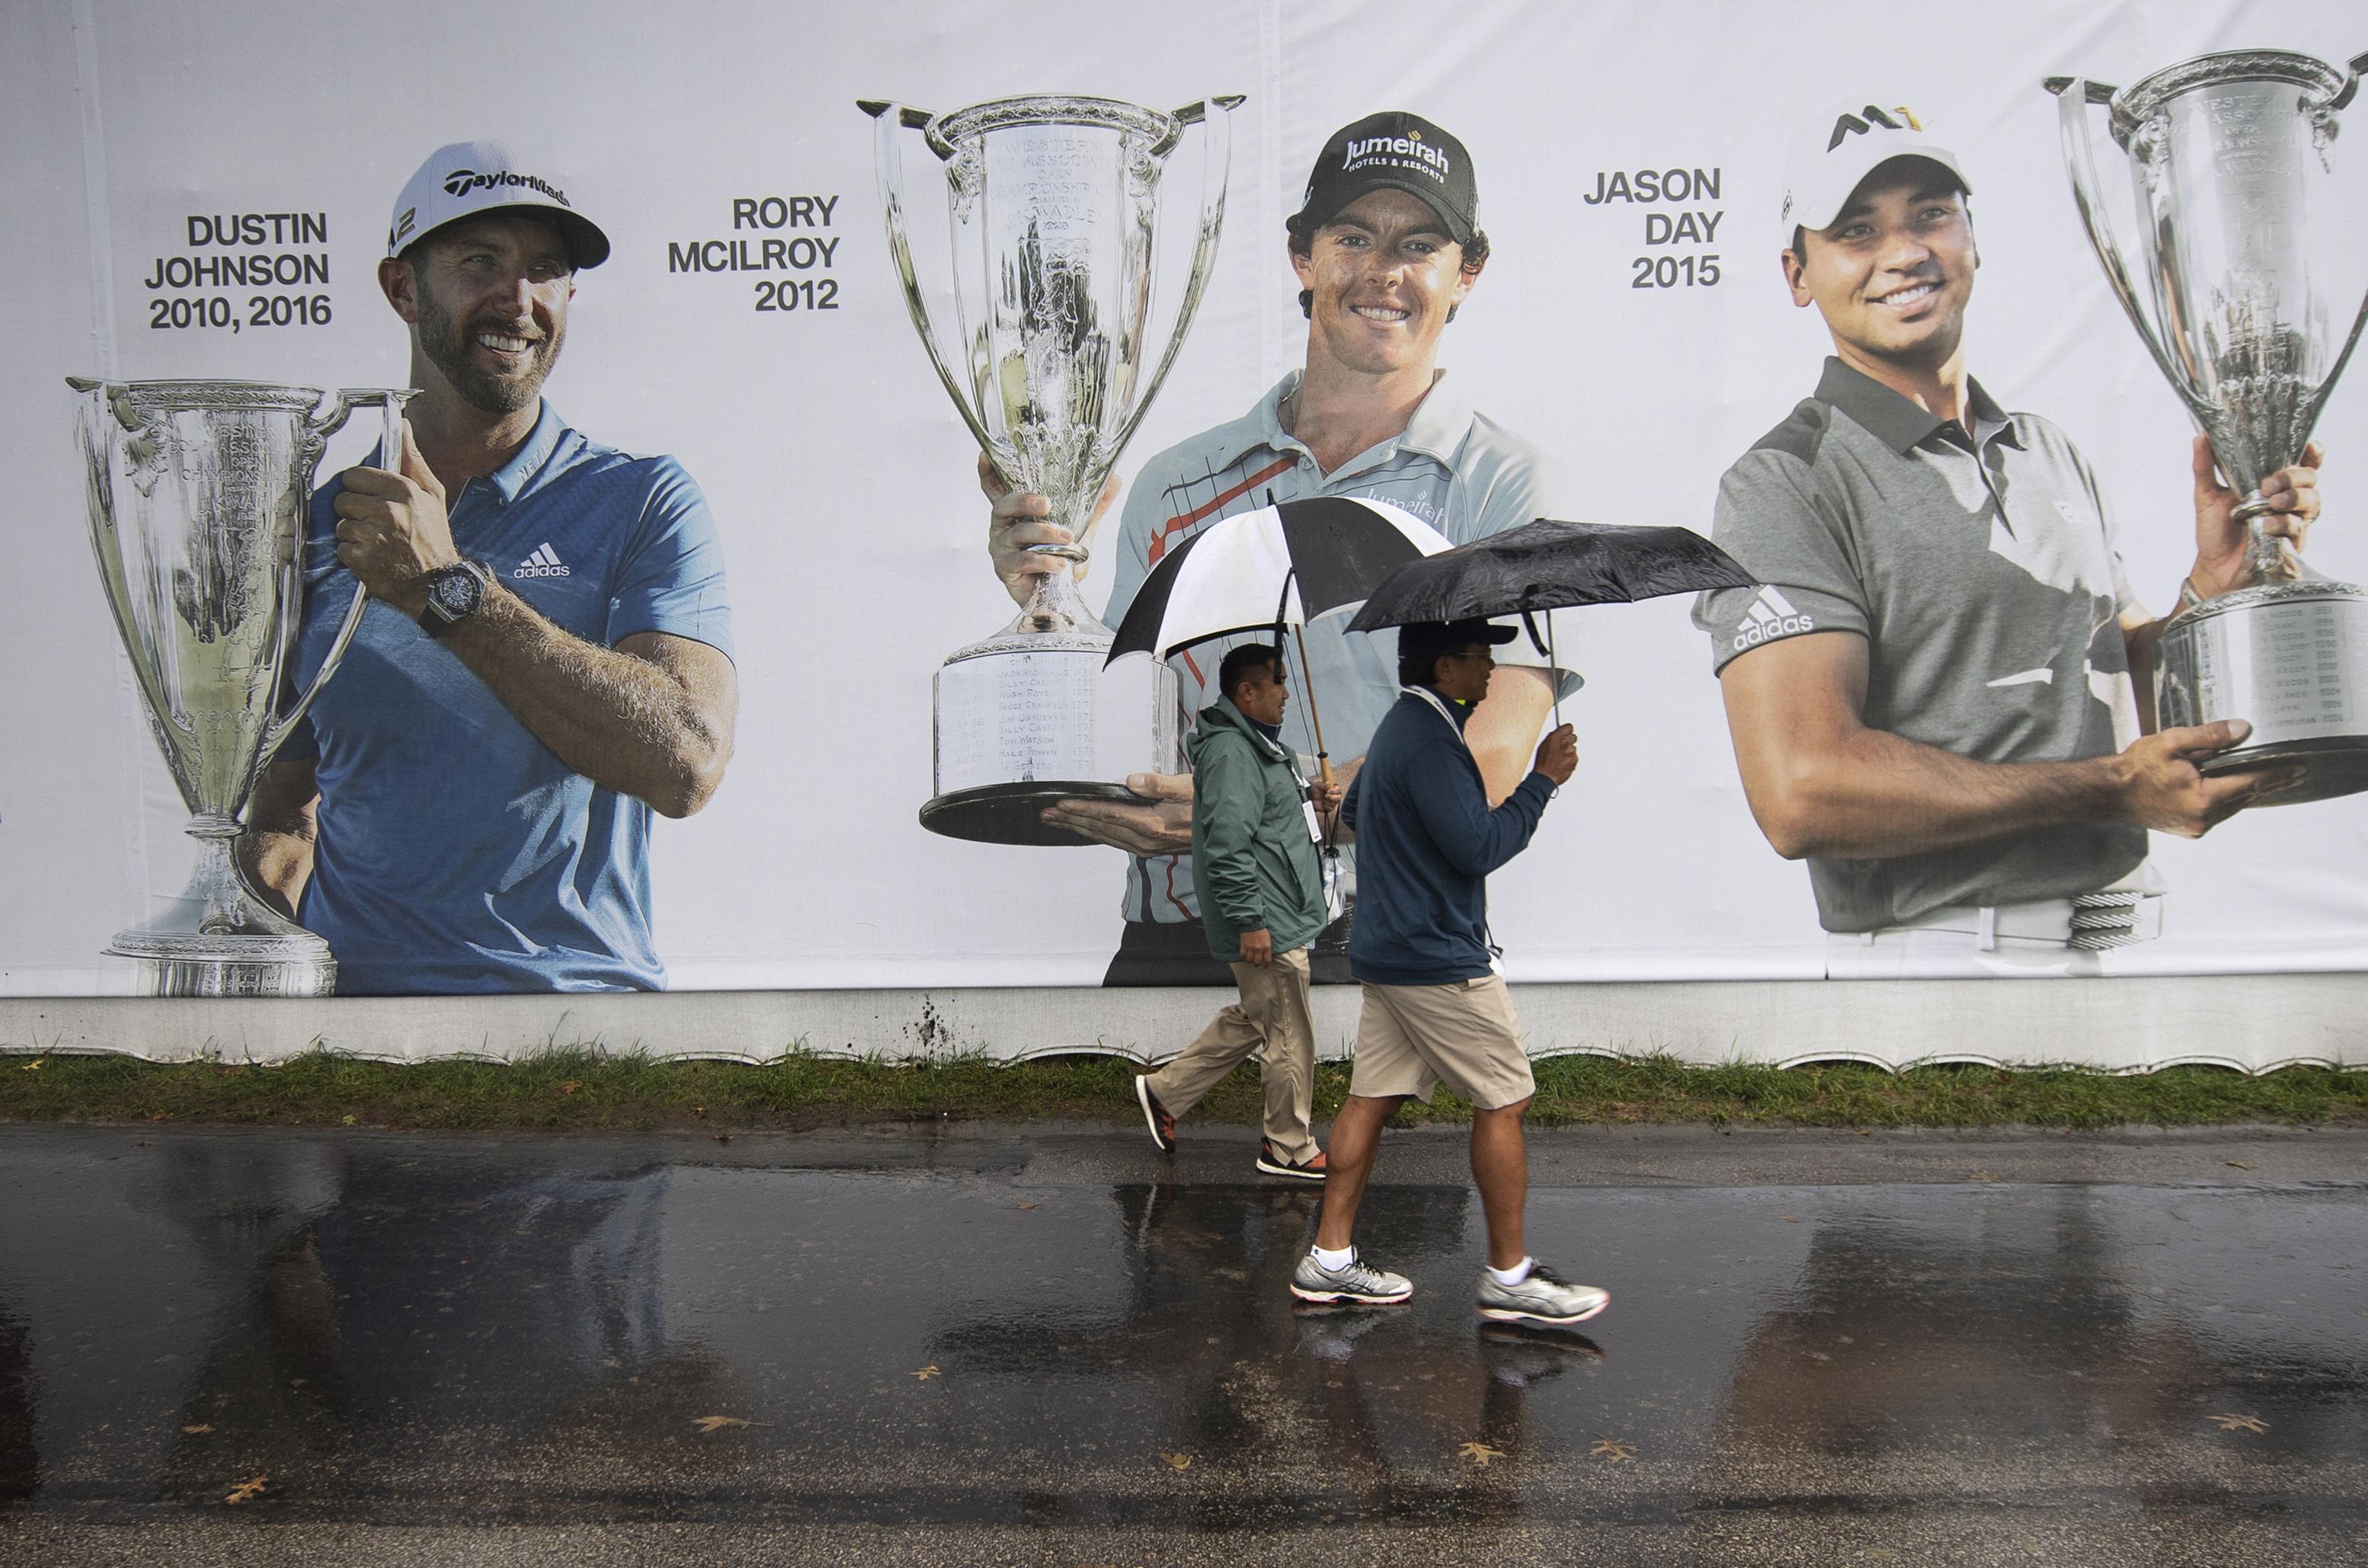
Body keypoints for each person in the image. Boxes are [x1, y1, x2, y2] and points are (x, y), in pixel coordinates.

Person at [1691, 104, 2322, 976]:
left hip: (2108, 947)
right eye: (1857, 230)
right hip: (1941, 959)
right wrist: (2112, 789)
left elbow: (2119, 677)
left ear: (1973, 239)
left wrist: (2212, 583)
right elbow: (1801, 790)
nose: (1904, 251)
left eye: (1930, 214)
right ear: (1798, 274)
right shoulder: (1787, 481)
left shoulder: (2044, 448)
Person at [983, 110, 1571, 984]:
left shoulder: (1499, 485)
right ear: (1305, 257)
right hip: (1177, 938)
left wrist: (1252, 807)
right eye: (1353, 236)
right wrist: (1042, 604)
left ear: (1466, 274)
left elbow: (1485, 762)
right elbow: (1126, 725)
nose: (1384, 272)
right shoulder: (1176, 483)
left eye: (1419, 244)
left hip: (1387, 944)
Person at [239, 140, 738, 994]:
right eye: (482, 263)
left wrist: (446, 590)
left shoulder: (643, 500)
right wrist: (251, 952)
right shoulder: (310, 526)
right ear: (402, 289)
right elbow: (284, 810)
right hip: (350, 1031)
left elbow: (685, 762)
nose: (520, 300)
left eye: (546, 270)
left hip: (578, 1020)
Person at [1288, 619, 1607, 1327]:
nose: (1491, 669)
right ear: (1444, 666)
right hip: (1435, 959)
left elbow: (1361, 813)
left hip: (1391, 950)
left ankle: (1330, 1260)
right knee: (1505, 1098)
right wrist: (1542, 781)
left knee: (1373, 1097)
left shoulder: (1404, 726)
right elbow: (1477, 847)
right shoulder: (1430, 739)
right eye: (1478, 657)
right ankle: (1510, 1275)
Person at [1134, 644, 1342, 1179]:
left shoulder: (1257, 747)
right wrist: (1252, 920)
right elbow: (1228, 845)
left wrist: (1311, 794)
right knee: (1288, 1032)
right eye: (1277, 683)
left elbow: (1267, 816)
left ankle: (1165, 1091)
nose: (1287, 693)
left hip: (1279, 912)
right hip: (1267, 919)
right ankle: (1288, 1146)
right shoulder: (1232, 752)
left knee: (1261, 1016)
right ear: (1246, 692)